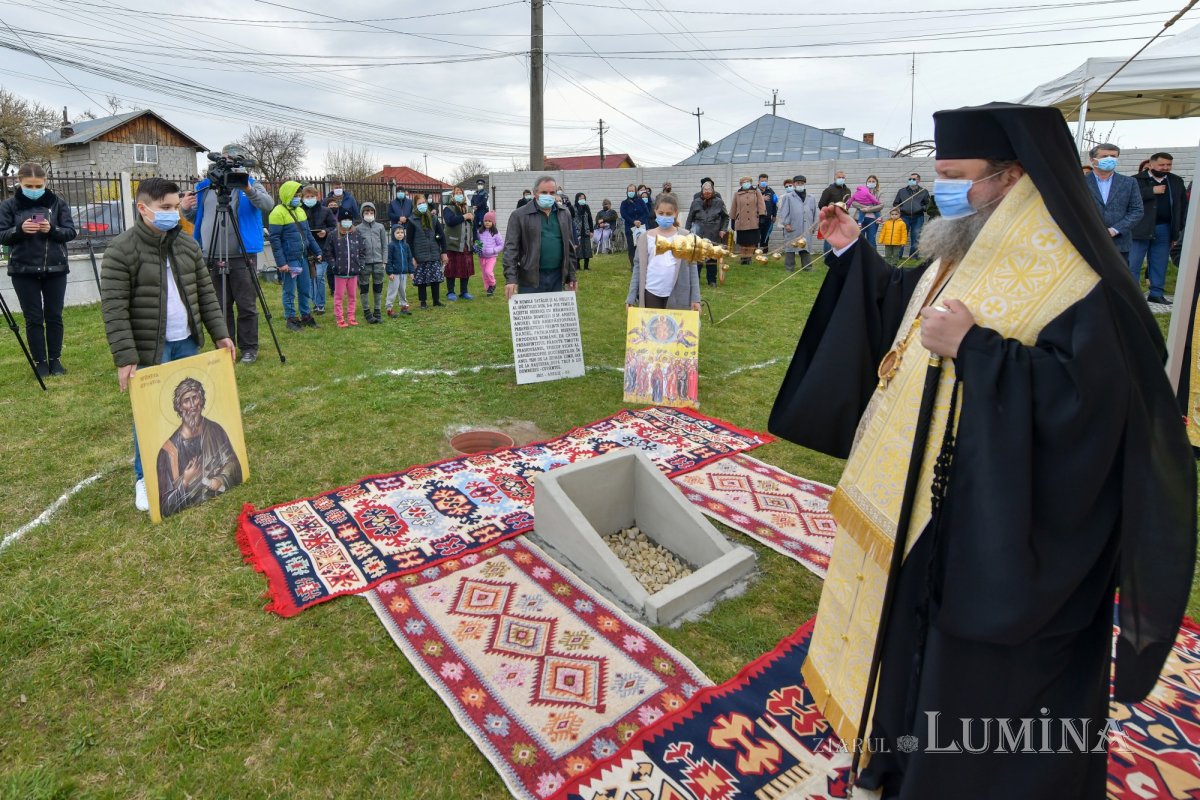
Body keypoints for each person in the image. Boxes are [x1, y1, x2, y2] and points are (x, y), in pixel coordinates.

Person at [769, 102, 1195, 799]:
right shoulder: (971, 245)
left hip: (1005, 532)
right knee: (913, 655)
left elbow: (1095, 410)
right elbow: (908, 314)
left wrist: (977, 352)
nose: (946, 192)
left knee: (975, 687)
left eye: (957, 176)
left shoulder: (1079, 279)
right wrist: (853, 252)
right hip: (930, 511)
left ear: (1014, 175)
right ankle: (898, 761)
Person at [100, 177, 235, 512]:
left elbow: (206, 293)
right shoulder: (121, 250)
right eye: (165, 208)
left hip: (186, 343)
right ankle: (145, 479)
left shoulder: (187, 245)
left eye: (175, 207)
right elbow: (114, 309)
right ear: (142, 208)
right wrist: (125, 357)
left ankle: (197, 473)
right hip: (149, 349)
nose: (173, 214)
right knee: (147, 418)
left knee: (190, 415)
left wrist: (220, 333)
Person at [182, 144, 274, 364]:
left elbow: (268, 204)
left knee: (246, 305)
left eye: (236, 161)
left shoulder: (251, 184)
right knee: (219, 306)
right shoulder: (206, 187)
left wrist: (247, 189)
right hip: (211, 254)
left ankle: (249, 348)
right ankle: (225, 347)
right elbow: (199, 218)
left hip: (242, 255)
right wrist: (184, 208)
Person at [0, 162, 77, 377]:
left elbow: (70, 232)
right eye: (29, 186)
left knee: (54, 315)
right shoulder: (9, 206)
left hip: (55, 268)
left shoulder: (58, 204)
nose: (34, 190)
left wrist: (52, 229)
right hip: (23, 270)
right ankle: (40, 362)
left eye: (38, 186)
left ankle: (55, 360)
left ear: (45, 183)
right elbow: (2, 234)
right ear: (20, 183)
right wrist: (19, 230)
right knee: (33, 318)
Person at [156, 377, 243, 517]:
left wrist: (220, 479)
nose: (192, 405)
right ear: (179, 407)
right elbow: (165, 506)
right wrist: (185, 481)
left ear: (201, 400)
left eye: (195, 398)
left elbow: (233, 463)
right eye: (186, 401)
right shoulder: (168, 451)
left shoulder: (215, 430)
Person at [502, 175, 579, 298]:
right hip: (530, 279)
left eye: (552, 192)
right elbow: (511, 249)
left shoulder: (565, 213)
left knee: (555, 316)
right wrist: (511, 279)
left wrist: (571, 276)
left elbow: (569, 248)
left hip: (557, 277)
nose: (548, 195)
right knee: (530, 316)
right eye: (544, 192)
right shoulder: (519, 215)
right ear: (535, 193)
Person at [628, 193, 701, 311]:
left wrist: (696, 299)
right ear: (655, 211)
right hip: (651, 292)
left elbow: (692, 268)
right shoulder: (645, 238)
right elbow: (637, 268)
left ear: (676, 213)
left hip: (678, 295)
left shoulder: (686, 236)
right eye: (661, 213)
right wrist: (631, 297)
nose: (664, 217)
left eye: (669, 214)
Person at [267, 181, 323, 332]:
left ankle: (306, 316)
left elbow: (308, 236)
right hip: (289, 260)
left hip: (302, 257)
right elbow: (275, 240)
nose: (298, 198)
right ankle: (291, 319)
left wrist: (318, 251)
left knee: (305, 288)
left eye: (299, 195)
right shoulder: (277, 213)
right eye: (295, 195)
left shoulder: (300, 211)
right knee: (289, 291)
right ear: (287, 195)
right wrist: (281, 262)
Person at [1131, 152, 1186, 304]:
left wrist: (1178, 231)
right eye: (1162, 165)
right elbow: (1128, 199)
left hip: (1164, 228)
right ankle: (1133, 295)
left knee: (1159, 262)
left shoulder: (1176, 181)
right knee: (1133, 263)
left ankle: (1156, 294)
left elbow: (1182, 207)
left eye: (1169, 165)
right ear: (1151, 164)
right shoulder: (1136, 180)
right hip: (1139, 228)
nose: (1166, 168)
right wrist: (1151, 192)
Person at [1084, 143, 1143, 268]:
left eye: (1113, 156)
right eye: (1105, 156)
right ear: (1092, 160)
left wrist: (1115, 230)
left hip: (1119, 243)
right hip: (1088, 241)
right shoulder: (1079, 182)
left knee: (1118, 282)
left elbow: (1137, 210)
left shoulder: (1129, 182)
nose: (1109, 159)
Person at [405, 194, 449, 309]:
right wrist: (412, 257)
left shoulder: (433, 219)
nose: (422, 205)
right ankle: (423, 302)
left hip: (434, 253)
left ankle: (436, 300)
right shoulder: (412, 220)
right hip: (420, 255)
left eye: (423, 203)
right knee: (421, 281)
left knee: (435, 278)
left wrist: (443, 251)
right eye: (419, 204)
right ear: (415, 206)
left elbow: (441, 235)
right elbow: (408, 241)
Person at [299, 185, 336, 315]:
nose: (310, 199)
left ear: (317, 197)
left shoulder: (326, 211)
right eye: (307, 197)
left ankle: (320, 304)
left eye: (312, 196)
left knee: (319, 276)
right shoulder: (299, 211)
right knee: (309, 278)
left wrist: (325, 231)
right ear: (302, 198)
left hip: (322, 247)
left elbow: (334, 227)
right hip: (306, 248)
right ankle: (311, 303)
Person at [684, 180, 729, 286]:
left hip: (713, 232)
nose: (707, 192)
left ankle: (712, 280)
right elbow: (690, 218)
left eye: (709, 190)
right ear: (702, 191)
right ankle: (696, 280)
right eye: (705, 190)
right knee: (698, 257)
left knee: (712, 258)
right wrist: (687, 232)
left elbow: (726, 217)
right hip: (699, 233)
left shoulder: (719, 202)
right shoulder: (696, 202)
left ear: (713, 191)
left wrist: (723, 229)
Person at [329, 207, 366, 327]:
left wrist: (360, 264)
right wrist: (334, 265)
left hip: (354, 272)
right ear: (340, 221)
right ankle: (339, 318)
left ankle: (351, 316)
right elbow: (328, 252)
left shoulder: (356, 234)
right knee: (338, 296)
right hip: (340, 273)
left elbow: (362, 251)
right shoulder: (334, 235)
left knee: (352, 296)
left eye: (348, 219)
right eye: (344, 219)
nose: (346, 222)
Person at [355, 202, 389, 323]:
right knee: (364, 287)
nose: (369, 214)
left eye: (371, 212)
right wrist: (359, 262)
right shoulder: (358, 229)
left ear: (374, 213)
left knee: (378, 287)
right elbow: (356, 247)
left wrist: (384, 261)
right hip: (365, 264)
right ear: (362, 214)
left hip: (379, 263)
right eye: (366, 213)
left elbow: (385, 245)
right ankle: (367, 311)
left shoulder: (380, 227)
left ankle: (377, 310)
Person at [776, 174, 817, 272]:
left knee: (805, 247)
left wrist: (814, 226)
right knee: (791, 247)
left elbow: (815, 212)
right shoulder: (788, 197)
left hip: (807, 227)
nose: (800, 185)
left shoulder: (811, 197)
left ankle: (807, 267)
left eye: (802, 183)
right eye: (798, 183)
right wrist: (786, 224)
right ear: (794, 184)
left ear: (804, 184)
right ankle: (789, 268)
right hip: (793, 226)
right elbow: (784, 212)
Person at [442, 186, 477, 301]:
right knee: (451, 269)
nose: (459, 194)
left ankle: (464, 292)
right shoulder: (448, 208)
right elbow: (450, 221)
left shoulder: (468, 208)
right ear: (453, 195)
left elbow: (473, 225)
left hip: (466, 244)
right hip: (453, 243)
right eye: (456, 193)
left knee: (465, 269)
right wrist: (464, 216)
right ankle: (450, 292)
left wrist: (475, 240)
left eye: (460, 193)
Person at [730, 176, 766, 264]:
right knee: (742, 242)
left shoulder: (756, 192)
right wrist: (733, 219)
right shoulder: (737, 194)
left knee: (751, 241)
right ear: (741, 184)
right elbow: (734, 207)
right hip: (741, 222)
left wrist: (762, 216)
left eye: (748, 181)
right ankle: (743, 258)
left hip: (753, 221)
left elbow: (761, 204)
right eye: (744, 182)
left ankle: (749, 258)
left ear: (750, 182)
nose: (746, 183)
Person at [893, 172, 928, 258]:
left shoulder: (924, 191)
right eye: (910, 179)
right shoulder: (902, 191)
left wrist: (921, 208)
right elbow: (896, 204)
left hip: (918, 217)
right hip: (904, 217)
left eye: (913, 179)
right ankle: (898, 256)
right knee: (901, 236)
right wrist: (902, 209)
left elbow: (928, 204)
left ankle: (913, 256)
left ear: (918, 180)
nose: (911, 180)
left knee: (916, 236)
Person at [384, 224, 413, 317]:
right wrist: (390, 272)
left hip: (403, 273)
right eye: (397, 233)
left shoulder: (406, 245)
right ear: (393, 234)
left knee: (402, 290)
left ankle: (404, 306)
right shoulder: (391, 246)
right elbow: (389, 260)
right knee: (392, 291)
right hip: (395, 274)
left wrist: (411, 271)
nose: (400, 234)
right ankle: (389, 308)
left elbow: (409, 259)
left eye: (402, 232)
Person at [620, 182, 651, 266]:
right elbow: (624, 214)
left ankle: (644, 264)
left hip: (642, 227)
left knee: (643, 247)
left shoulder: (641, 201)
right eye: (629, 191)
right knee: (631, 248)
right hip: (630, 228)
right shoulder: (624, 203)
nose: (631, 192)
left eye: (632, 190)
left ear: (636, 191)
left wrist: (639, 221)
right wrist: (633, 221)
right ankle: (633, 265)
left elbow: (646, 212)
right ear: (627, 192)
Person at [851, 175, 884, 249]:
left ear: (876, 183)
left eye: (873, 181)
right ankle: (860, 258)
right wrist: (865, 207)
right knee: (859, 240)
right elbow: (854, 202)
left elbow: (881, 205)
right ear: (866, 182)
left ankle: (872, 259)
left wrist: (868, 210)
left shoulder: (880, 192)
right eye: (869, 181)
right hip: (859, 219)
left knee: (871, 240)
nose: (871, 182)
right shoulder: (860, 191)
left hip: (873, 220)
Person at [477, 211, 504, 297]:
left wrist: (493, 250)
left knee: (488, 271)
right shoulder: (479, 232)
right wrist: (477, 247)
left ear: (493, 222)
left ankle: (493, 284)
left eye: (489, 221)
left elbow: (501, 245)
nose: (487, 223)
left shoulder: (496, 233)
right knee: (484, 274)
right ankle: (489, 289)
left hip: (491, 257)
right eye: (485, 221)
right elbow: (477, 242)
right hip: (482, 257)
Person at [574, 192, 594, 270]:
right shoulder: (574, 208)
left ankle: (586, 266)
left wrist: (591, 231)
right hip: (577, 231)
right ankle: (577, 266)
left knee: (587, 249)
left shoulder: (586, 207)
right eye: (580, 198)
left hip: (586, 230)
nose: (582, 200)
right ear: (577, 199)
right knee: (578, 249)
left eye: (583, 198)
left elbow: (590, 219)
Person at [757, 173, 778, 248]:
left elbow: (774, 203)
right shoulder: (754, 191)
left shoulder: (770, 190)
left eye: (765, 181)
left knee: (766, 235)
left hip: (768, 217)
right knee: (756, 235)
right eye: (762, 181)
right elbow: (750, 202)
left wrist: (774, 215)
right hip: (757, 217)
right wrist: (761, 199)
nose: (763, 182)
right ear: (758, 181)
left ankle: (764, 252)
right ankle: (754, 252)